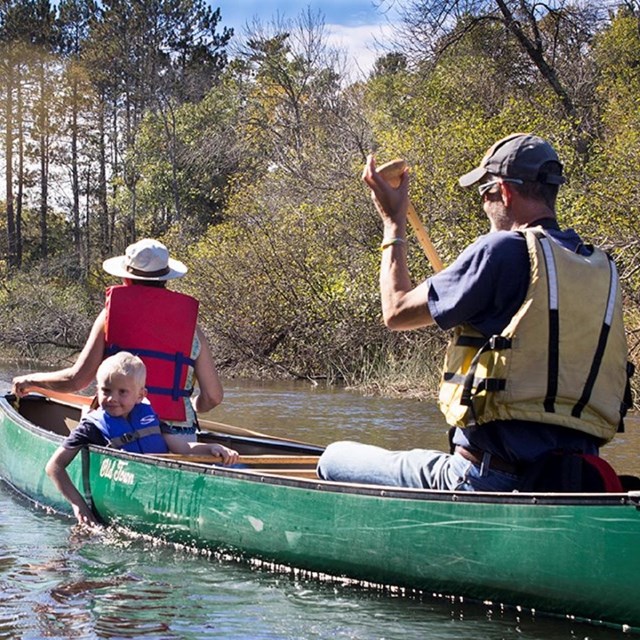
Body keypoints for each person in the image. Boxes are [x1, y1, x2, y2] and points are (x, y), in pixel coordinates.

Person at [317, 133, 631, 492]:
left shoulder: (501, 250)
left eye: (485, 191)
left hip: (488, 478)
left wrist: (394, 223)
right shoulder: (601, 267)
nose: (482, 203)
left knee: (333, 457)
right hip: (572, 481)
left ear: (505, 192)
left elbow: (396, 310)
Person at [13, 238, 223, 449]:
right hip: (181, 440)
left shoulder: (110, 317)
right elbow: (213, 397)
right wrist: (190, 406)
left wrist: (30, 381)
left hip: (120, 432)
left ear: (127, 279)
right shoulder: (190, 327)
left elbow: (76, 380)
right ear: (166, 279)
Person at [46, 352, 238, 526]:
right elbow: (54, 466)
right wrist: (79, 505)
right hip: (122, 496)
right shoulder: (90, 427)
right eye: (106, 390)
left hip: (155, 494)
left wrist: (211, 448)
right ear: (97, 391)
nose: (112, 398)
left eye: (122, 392)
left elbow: (184, 448)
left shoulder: (150, 418)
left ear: (140, 395)